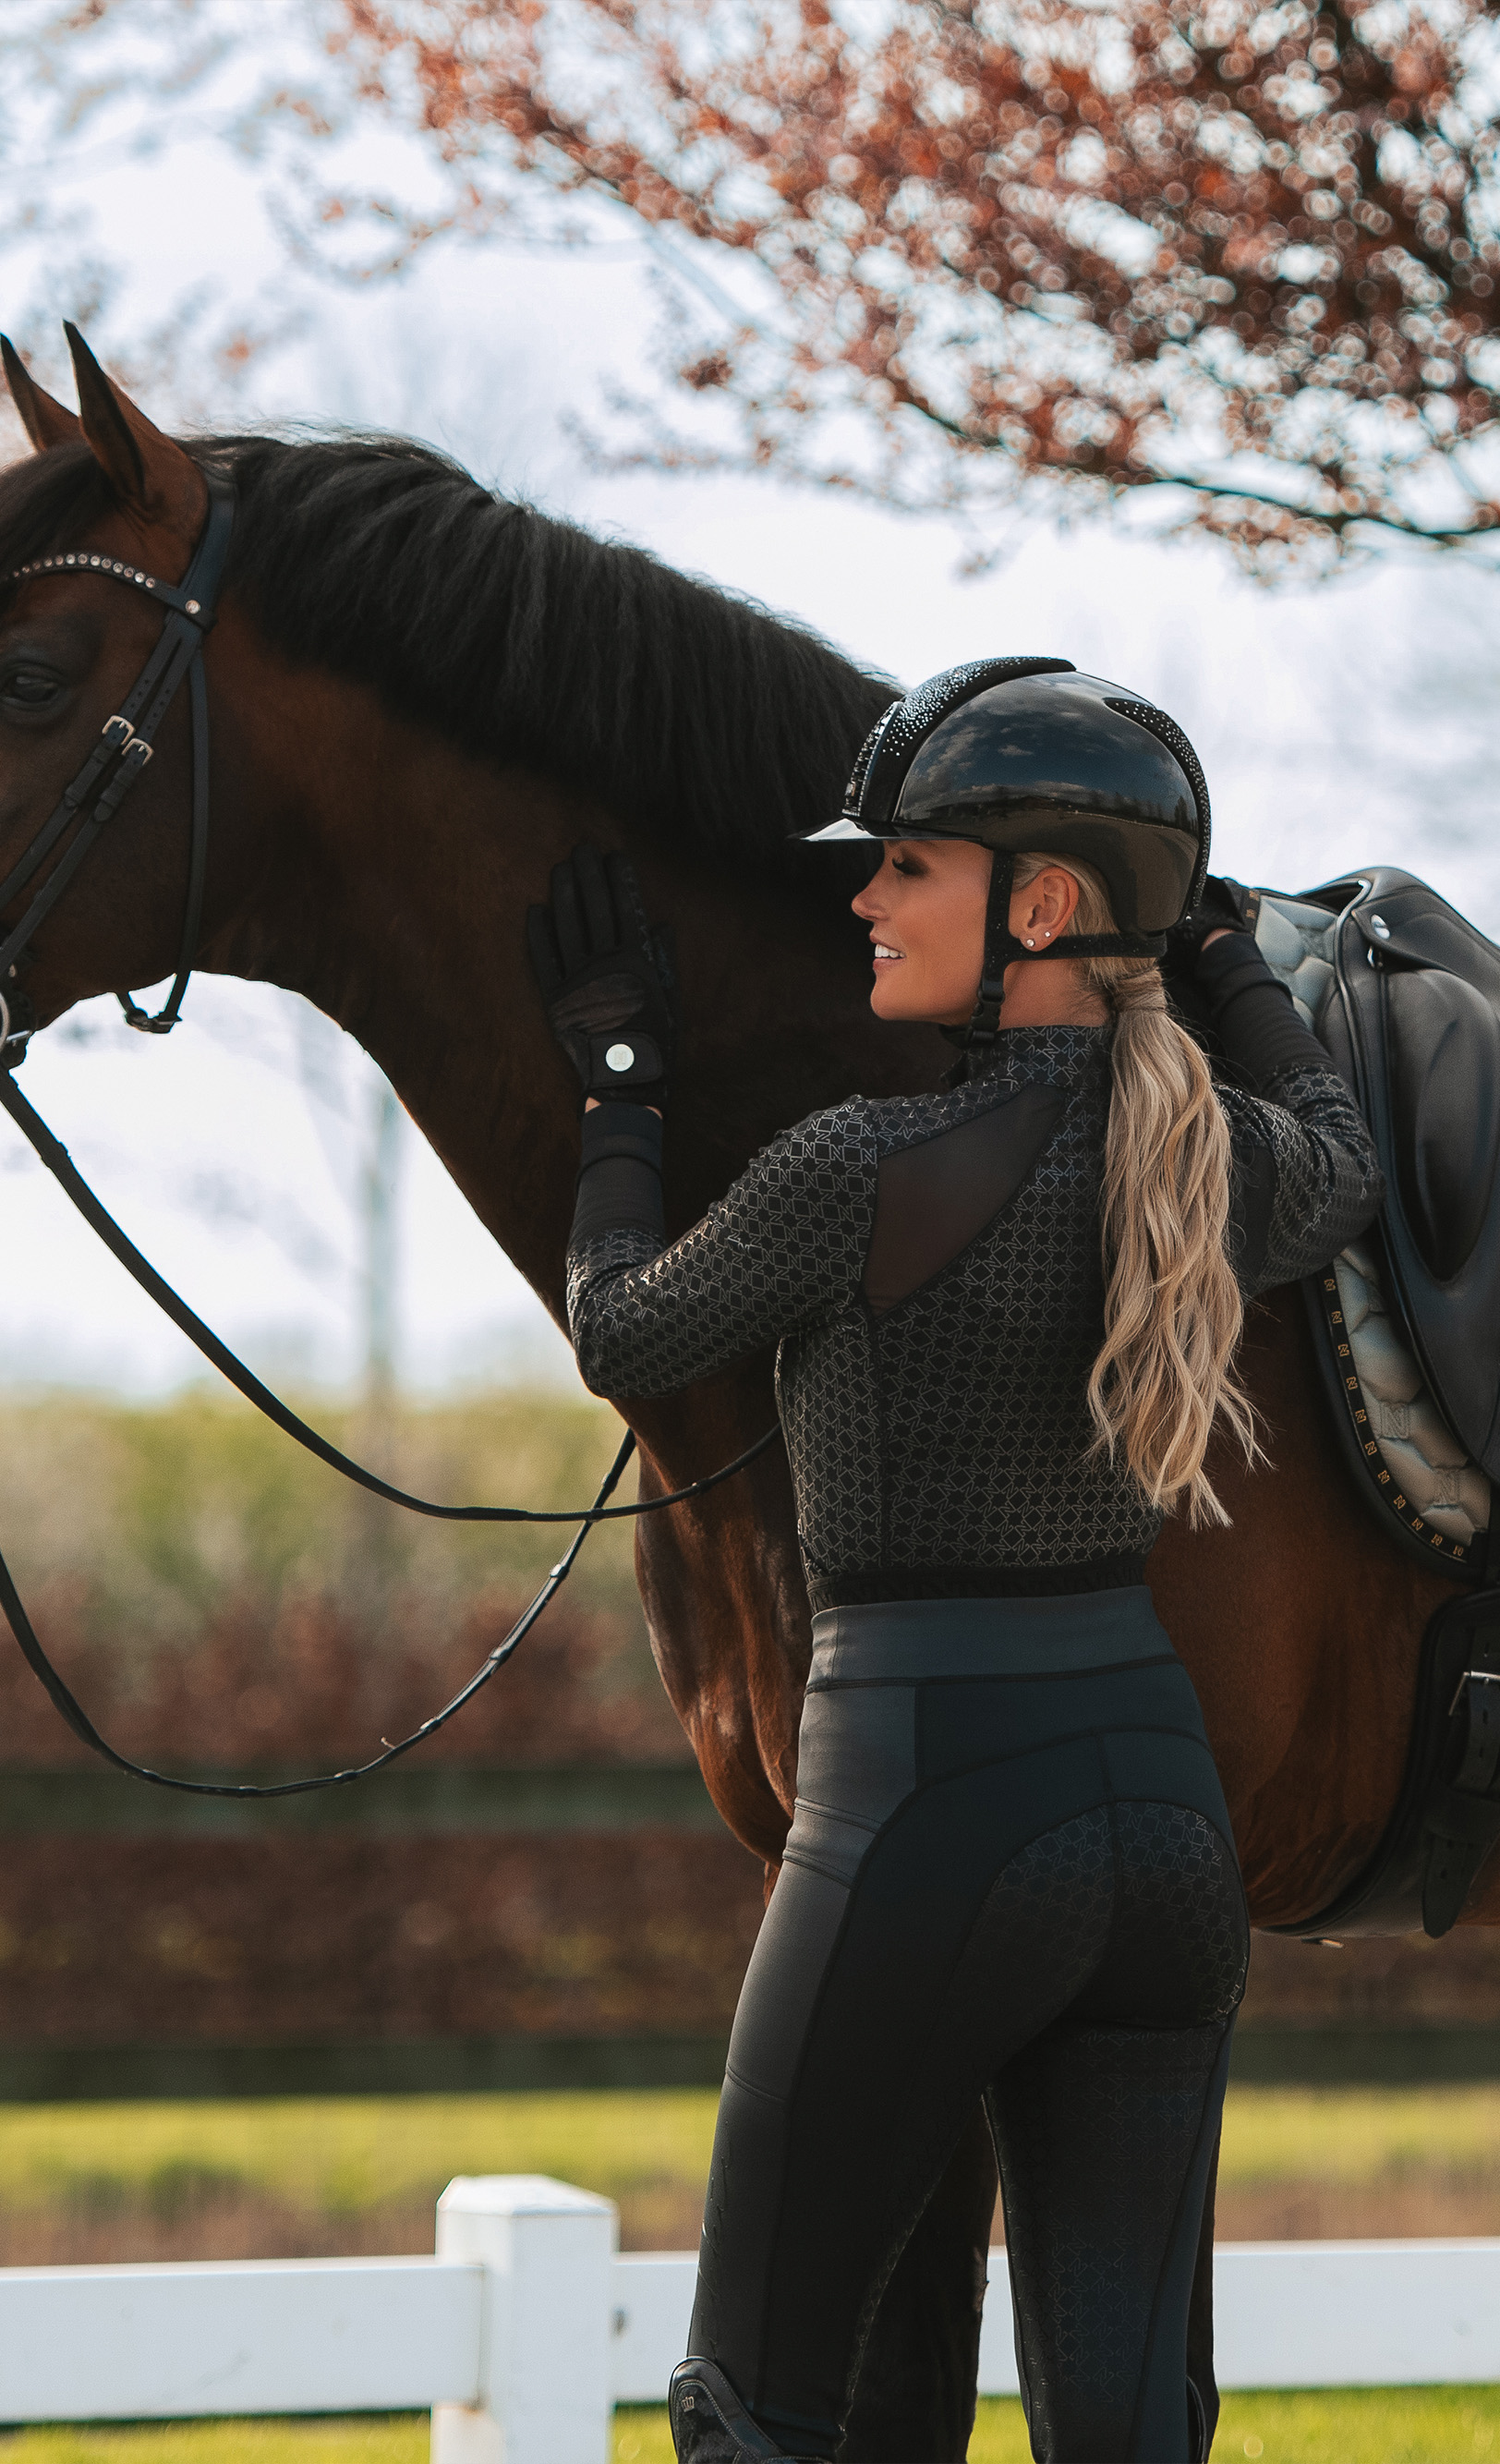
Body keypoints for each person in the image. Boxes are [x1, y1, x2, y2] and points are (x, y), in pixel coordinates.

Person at [527, 657, 1383, 2464]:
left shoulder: (859, 1168)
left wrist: (616, 1089)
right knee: (1132, 2428)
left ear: (1040, 905)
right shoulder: (1206, 1160)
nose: (861, 896)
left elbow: (620, 1331)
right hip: (1156, 1826)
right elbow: (1342, 1161)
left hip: (922, 1802)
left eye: (903, 866)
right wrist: (1226, 966)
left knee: (751, 2404)